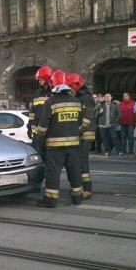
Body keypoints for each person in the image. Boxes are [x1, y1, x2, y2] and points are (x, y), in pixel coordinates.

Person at [36, 70, 83, 207]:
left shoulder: (50, 102)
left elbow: (42, 128)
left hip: (55, 147)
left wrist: (40, 143)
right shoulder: (76, 101)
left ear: (52, 84)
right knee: (74, 171)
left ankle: (50, 200)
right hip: (74, 145)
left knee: (53, 173)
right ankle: (77, 198)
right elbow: (79, 125)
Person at [67, 73, 96, 200]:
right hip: (81, 136)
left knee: (83, 163)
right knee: (79, 163)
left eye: (72, 87)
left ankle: (87, 190)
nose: (71, 90)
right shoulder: (81, 96)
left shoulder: (86, 98)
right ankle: (81, 188)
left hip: (85, 136)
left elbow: (86, 120)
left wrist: (76, 132)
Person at [27, 65, 53, 150]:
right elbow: (32, 111)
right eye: (39, 79)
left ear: (47, 79)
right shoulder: (37, 93)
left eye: (41, 79)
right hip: (36, 133)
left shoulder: (53, 92)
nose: (39, 82)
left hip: (49, 132)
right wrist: (29, 126)